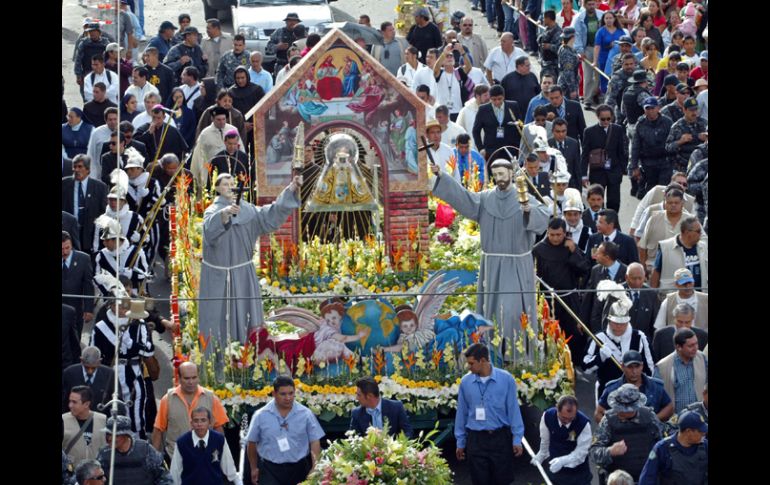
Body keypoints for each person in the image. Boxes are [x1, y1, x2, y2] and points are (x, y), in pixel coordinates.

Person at [432, 158, 550, 344]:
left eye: (502, 174)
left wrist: (528, 210)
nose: (499, 179)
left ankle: (516, 353)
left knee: (511, 311)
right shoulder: (486, 198)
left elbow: (544, 215)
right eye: (495, 175)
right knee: (491, 311)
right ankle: (493, 352)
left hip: (516, 265)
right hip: (492, 264)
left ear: (511, 173)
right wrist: (442, 176)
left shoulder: (523, 196)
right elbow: (464, 198)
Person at [199, 173, 301, 350]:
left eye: (232, 183)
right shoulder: (212, 211)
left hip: (243, 274)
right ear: (216, 189)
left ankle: (250, 358)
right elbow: (209, 232)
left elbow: (272, 214)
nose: (230, 186)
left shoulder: (250, 211)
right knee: (217, 319)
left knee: (247, 319)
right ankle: (218, 358)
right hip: (218, 277)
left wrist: (291, 188)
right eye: (225, 184)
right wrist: (224, 214)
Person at [455, 343, 525, 485]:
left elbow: (513, 411)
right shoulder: (465, 382)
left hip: (500, 439)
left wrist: (517, 438)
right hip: (476, 440)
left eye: (471, 363)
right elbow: (461, 413)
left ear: (483, 360)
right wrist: (460, 442)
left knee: (502, 481)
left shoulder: (506, 379)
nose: (468, 367)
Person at [247, 376, 324, 485]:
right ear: (274, 394)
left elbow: (314, 441)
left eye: (291, 393)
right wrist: (253, 467)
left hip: (299, 469)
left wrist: (315, 467)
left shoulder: (306, 414)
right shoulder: (260, 415)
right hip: (270, 470)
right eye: (283, 394)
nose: (288, 397)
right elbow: (251, 442)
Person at [533, 217, 591, 365]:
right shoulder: (539, 249)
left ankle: (574, 364)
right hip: (547, 299)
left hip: (569, 299)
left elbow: (584, 269)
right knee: (549, 332)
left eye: (559, 235)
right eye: (552, 235)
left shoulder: (570, 247)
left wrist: (573, 252)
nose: (555, 238)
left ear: (564, 233)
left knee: (573, 333)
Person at [583, 287, 655, 399]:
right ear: (609, 321)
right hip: (606, 393)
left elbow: (650, 369)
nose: (619, 327)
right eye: (616, 323)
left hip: (635, 392)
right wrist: (599, 358)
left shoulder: (640, 337)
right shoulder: (598, 338)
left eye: (623, 323)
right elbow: (586, 369)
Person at [152, 362, 228, 460]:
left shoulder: (211, 398)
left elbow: (218, 428)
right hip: (176, 459)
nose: (191, 382)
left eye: (194, 377)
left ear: (198, 377)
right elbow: (158, 429)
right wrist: (155, 459)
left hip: (206, 459)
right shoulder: (167, 399)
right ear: (179, 378)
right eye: (187, 378)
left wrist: (219, 455)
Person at [590, 384, 664, 484]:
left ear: (634, 408)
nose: (619, 411)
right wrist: (609, 451)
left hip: (646, 479)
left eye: (623, 409)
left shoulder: (649, 417)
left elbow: (663, 445)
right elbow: (594, 453)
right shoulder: (608, 421)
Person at [596, 350, 673, 424]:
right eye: (630, 367)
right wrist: (611, 428)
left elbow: (669, 407)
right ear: (622, 366)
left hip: (649, 435)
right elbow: (598, 413)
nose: (634, 371)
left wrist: (653, 420)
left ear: (642, 366)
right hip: (622, 434)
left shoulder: (655, 386)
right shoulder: (612, 388)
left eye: (637, 366)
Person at [169, 407, 242, 485]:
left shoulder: (219, 440)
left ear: (209, 423)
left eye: (203, 420)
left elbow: (229, 468)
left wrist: (238, 482)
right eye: (196, 421)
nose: (199, 424)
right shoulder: (182, 443)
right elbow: (175, 474)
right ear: (191, 423)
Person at [531, 395, 593, 484]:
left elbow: (581, 452)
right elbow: (545, 439)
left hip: (578, 474)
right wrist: (542, 453)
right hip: (556, 471)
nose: (567, 421)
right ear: (557, 410)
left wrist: (563, 461)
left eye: (571, 418)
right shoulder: (548, 416)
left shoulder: (583, 424)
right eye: (564, 418)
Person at [97, 415, 172, 485]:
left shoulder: (145, 450)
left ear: (126, 435)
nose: (110, 438)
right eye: (108, 434)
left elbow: (164, 477)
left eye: (115, 435)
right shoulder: (104, 454)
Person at [638, 410, 708, 485]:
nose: (704, 434)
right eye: (701, 432)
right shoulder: (662, 448)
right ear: (688, 431)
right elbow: (648, 478)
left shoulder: (705, 445)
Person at [62, 155, 109, 257]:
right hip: (69, 234)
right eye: (74, 167)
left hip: (91, 233)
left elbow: (104, 212)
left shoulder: (100, 187)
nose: (76, 170)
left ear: (88, 169)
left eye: (80, 167)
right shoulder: (64, 184)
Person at [653, 327, 708, 414]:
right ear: (678, 347)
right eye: (691, 346)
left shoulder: (703, 359)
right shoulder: (662, 367)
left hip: (701, 420)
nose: (695, 348)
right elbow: (656, 397)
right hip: (675, 422)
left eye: (696, 344)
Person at [630, 97, 674, 199]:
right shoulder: (640, 124)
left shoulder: (667, 122)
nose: (650, 111)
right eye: (647, 108)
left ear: (658, 108)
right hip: (648, 164)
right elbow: (635, 146)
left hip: (665, 163)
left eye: (652, 108)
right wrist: (634, 166)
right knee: (650, 192)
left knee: (664, 190)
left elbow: (673, 142)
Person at [581, 241, 628, 333]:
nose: (595, 255)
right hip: (597, 323)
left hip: (619, 324)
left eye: (598, 253)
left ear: (607, 257)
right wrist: (582, 320)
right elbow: (588, 297)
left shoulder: (626, 272)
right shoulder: (595, 270)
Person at [191, 107, 244, 188]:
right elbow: (199, 156)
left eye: (223, 119)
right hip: (213, 171)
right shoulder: (205, 134)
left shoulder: (233, 130)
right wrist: (200, 176)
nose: (221, 122)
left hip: (232, 170)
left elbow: (241, 150)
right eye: (218, 119)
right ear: (212, 119)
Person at [650, 217, 707, 291]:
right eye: (698, 231)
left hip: (699, 298)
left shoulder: (703, 246)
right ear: (687, 232)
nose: (701, 234)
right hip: (674, 298)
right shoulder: (666, 247)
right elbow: (656, 273)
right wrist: (652, 296)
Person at [472, 85, 522, 166]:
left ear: (504, 97)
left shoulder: (513, 106)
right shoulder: (483, 109)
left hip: (511, 149)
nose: (497, 102)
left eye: (499, 99)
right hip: (491, 151)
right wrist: (481, 148)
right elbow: (476, 131)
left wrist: (519, 147)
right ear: (490, 98)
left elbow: (520, 127)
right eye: (494, 100)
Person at [63, 385, 108, 467]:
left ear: (86, 404)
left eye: (74, 402)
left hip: (97, 474)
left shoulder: (103, 420)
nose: (70, 405)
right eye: (70, 401)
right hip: (71, 474)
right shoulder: (63, 420)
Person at [62, 346, 115, 414]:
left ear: (99, 362)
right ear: (81, 360)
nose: (90, 371)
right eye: (87, 367)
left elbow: (117, 401)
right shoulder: (69, 373)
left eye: (93, 368)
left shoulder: (109, 374)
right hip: (73, 418)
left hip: (101, 419)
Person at [574, 0, 605, 108]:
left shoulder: (601, 15)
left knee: (598, 74)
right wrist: (580, 50)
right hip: (587, 47)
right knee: (587, 74)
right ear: (585, 5)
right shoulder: (579, 18)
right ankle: (587, 99)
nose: (592, 6)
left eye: (593, 4)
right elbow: (577, 35)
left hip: (599, 48)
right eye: (589, 4)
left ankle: (594, 95)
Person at [665, 98, 707, 172]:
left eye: (696, 109)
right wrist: (680, 141)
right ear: (684, 110)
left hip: (702, 166)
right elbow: (668, 148)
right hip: (683, 167)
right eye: (691, 110)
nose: (694, 112)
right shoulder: (677, 126)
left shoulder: (704, 123)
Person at [456, 85, 489, 149]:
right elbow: (459, 129)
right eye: (485, 95)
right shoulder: (465, 111)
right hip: (472, 148)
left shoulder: (490, 108)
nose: (488, 98)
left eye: (488, 95)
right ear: (477, 96)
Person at [538, 10, 563, 79]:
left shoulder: (558, 32)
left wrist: (550, 46)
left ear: (548, 19)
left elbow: (560, 49)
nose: (543, 20)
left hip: (553, 66)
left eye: (544, 18)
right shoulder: (547, 30)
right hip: (544, 63)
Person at [557, 27, 580, 101]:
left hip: (565, 82)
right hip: (567, 86)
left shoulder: (566, 48)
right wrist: (572, 89)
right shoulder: (567, 53)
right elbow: (568, 72)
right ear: (573, 37)